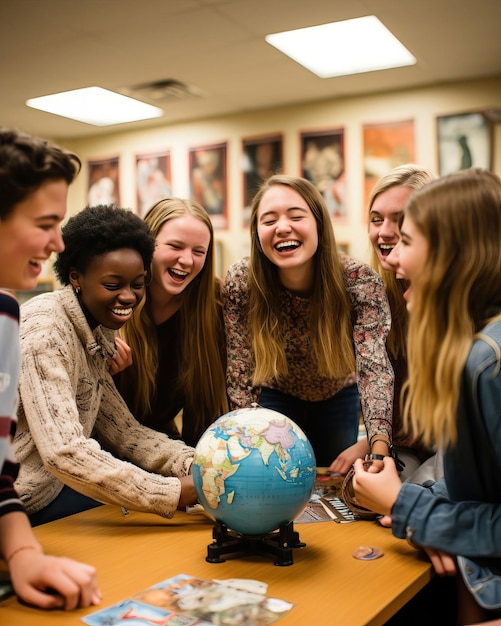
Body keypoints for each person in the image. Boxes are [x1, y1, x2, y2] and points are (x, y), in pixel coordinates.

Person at [352, 168, 501, 624]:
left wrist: (407, 506)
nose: (393, 257)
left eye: (408, 242)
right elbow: (476, 491)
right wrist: (427, 515)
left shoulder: (490, 362)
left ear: (452, 255)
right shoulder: (472, 349)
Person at [14, 204, 198, 527]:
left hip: (55, 491)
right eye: (113, 285)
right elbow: (65, 452)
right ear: (76, 277)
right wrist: (172, 492)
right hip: (21, 507)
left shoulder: (98, 331)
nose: (128, 297)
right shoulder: (46, 332)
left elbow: (125, 431)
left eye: (137, 284)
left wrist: (194, 465)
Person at [223, 174, 394, 470]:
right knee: (272, 474)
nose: (282, 227)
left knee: (334, 477)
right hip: (276, 392)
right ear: (256, 233)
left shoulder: (359, 282)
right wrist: (245, 442)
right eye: (269, 220)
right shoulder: (242, 282)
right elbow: (240, 372)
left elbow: (375, 369)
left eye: (296, 216)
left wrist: (379, 448)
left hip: (338, 393)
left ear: (319, 224)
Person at [0, 127, 101, 609]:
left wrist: (24, 554)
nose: (59, 243)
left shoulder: (5, 315)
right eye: (45, 223)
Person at [115, 198, 228, 446]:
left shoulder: (214, 305)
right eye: (175, 246)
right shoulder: (112, 297)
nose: (187, 260)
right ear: (147, 245)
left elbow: (204, 416)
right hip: (104, 448)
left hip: (165, 449)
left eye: (198, 251)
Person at [368, 163, 439, 481]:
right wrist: (373, 446)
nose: (384, 232)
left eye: (400, 220)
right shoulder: (376, 299)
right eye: (376, 219)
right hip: (407, 447)